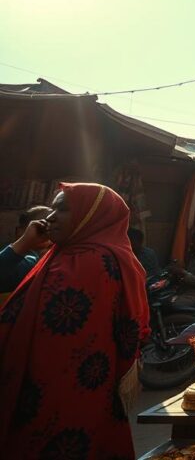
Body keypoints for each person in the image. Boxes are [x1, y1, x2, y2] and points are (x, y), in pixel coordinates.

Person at [0, 183, 149, 458]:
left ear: (90, 216)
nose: (50, 217)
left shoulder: (92, 261)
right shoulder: (62, 256)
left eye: (63, 209)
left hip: (60, 392)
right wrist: (24, 245)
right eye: (53, 208)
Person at [1, 205, 52, 294]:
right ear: (20, 231)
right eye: (41, 229)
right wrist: (24, 242)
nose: (48, 235)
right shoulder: (28, 261)